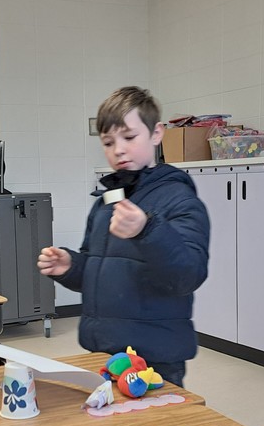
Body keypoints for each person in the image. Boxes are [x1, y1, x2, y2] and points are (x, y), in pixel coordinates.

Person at [37, 86, 209, 387]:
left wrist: (147, 229)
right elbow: (101, 268)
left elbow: (187, 275)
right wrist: (72, 267)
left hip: (154, 359)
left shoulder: (180, 200)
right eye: (108, 142)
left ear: (156, 134)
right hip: (105, 352)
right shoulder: (106, 203)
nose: (118, 149)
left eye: (129, 137)